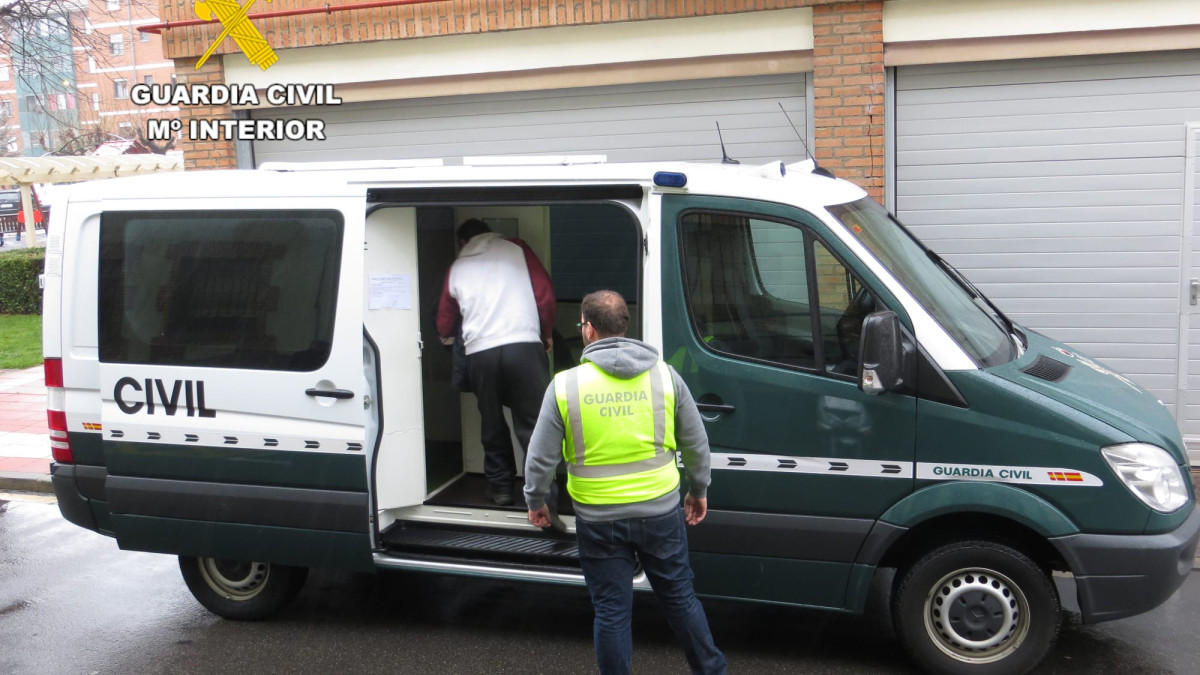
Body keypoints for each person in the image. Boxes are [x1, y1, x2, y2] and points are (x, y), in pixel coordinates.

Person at [524, 290, 726, 675]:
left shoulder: (565, 386)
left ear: (587, 329)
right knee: (681, 599)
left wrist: (536, 500)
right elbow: (696, 442)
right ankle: (712, 671)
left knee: (612, 613)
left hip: (598, 520)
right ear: (624, 327)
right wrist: (698, 490)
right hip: (660, 513)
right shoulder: (665, 376)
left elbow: (540, 458)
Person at [436, 218, 555, 506]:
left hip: (481, 353)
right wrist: (547, 333)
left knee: (492, 422)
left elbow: (445, 318)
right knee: (534, 423)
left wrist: (446, 337)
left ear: (463, 242)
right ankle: (543, 497)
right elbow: (544, 295)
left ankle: (501, 488)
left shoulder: (457, 267)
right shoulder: (517, 248)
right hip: (524, 347)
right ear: (489, 232)